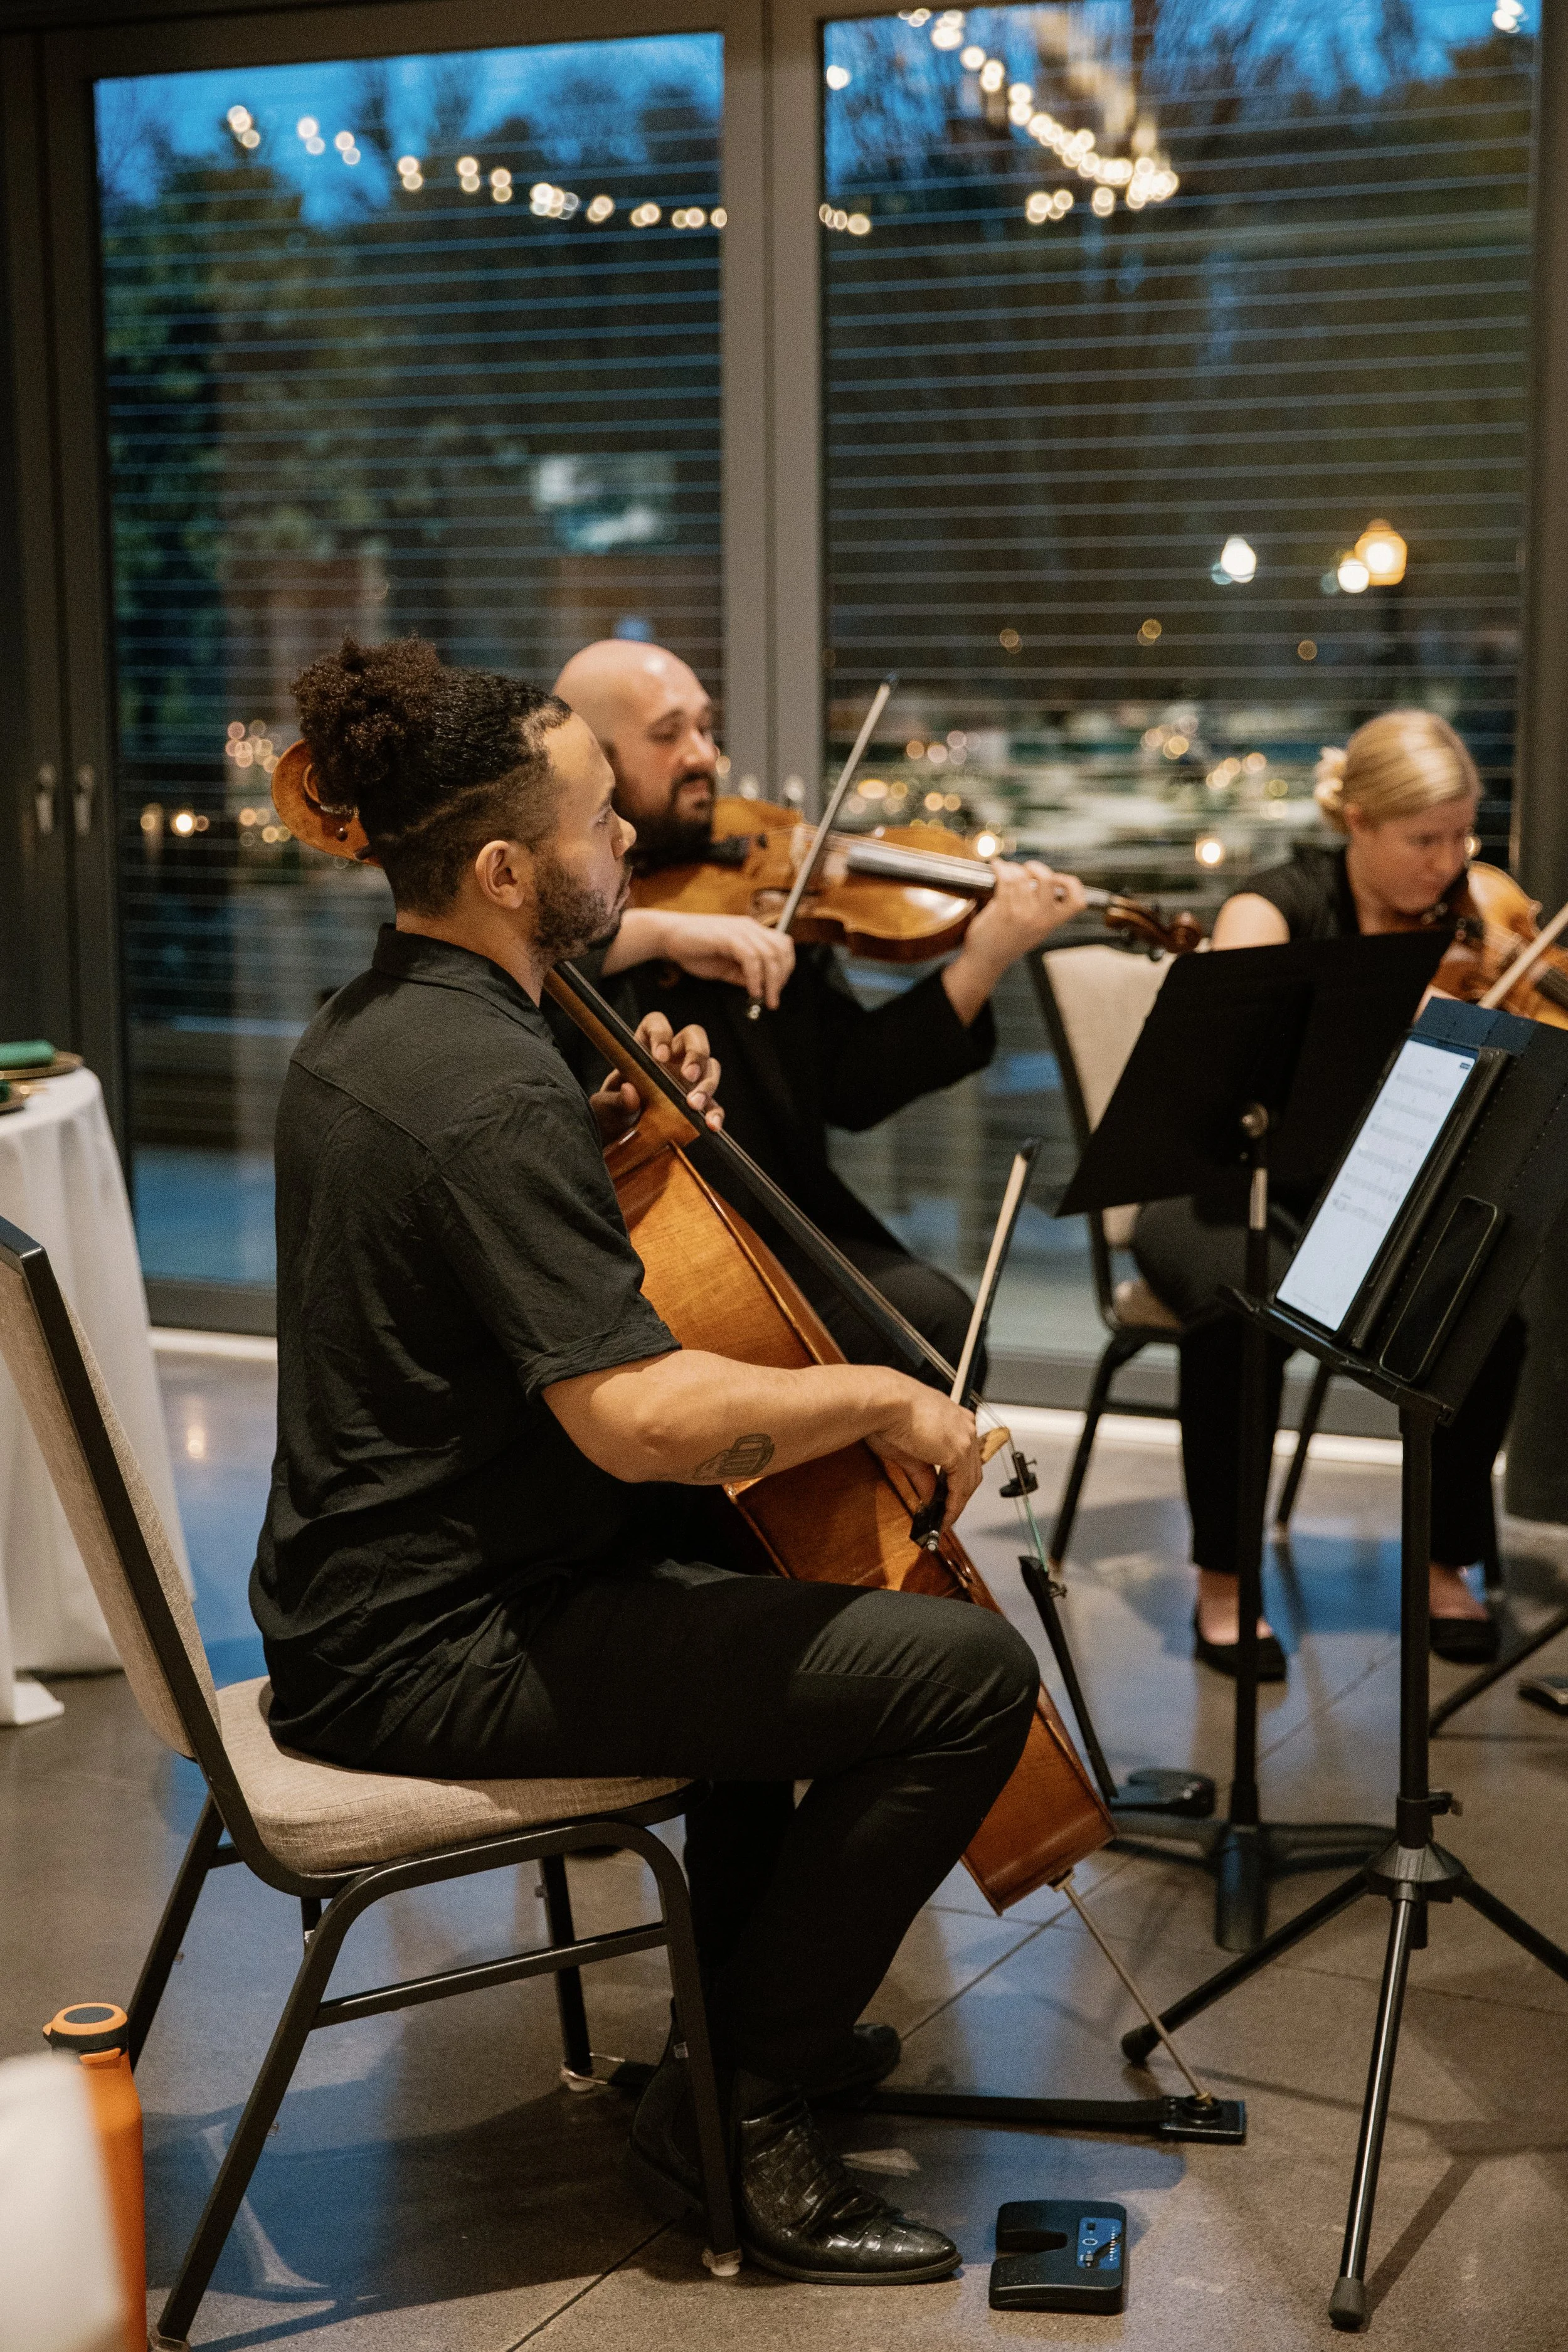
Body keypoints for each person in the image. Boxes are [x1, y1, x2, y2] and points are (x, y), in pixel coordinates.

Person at [249, 635, 1043, 2286]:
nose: (627, 850)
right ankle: (728, 2112)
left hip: (394, 1585)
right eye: (598, 823)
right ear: (498, 865)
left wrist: (614, 1129)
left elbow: (485, 1279)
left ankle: (747, 2026)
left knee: (774, 1598)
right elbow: (630, 1418)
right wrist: (882, 1405)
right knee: (966, 1676)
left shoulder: (395, 1020)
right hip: (435, 1642)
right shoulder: (479, 1079)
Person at [551, 638, 1089, 1380]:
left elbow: (851, 1086)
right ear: (594, 762)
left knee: (934, 1325)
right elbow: (523, 977)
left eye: (707, 729)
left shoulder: (765, 888)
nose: (703, 755)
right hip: (625, 1250)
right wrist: (656, 932)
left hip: (773, 1231)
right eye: (669, 735)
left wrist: (983, 959)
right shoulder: (555, 893)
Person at [1133, 710, 1522, 1675]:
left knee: (1489, 1301)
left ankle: (1444, 1563)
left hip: (1369, 1193)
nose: (1449, 863)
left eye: (1461, 835)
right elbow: (1224, 1072)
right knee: (1243, 1302)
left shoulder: (1476, 916)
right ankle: (1223, 1581)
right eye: (1422, 839)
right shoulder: (1274, 907)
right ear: (1357, 821)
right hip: (1227, 1191)